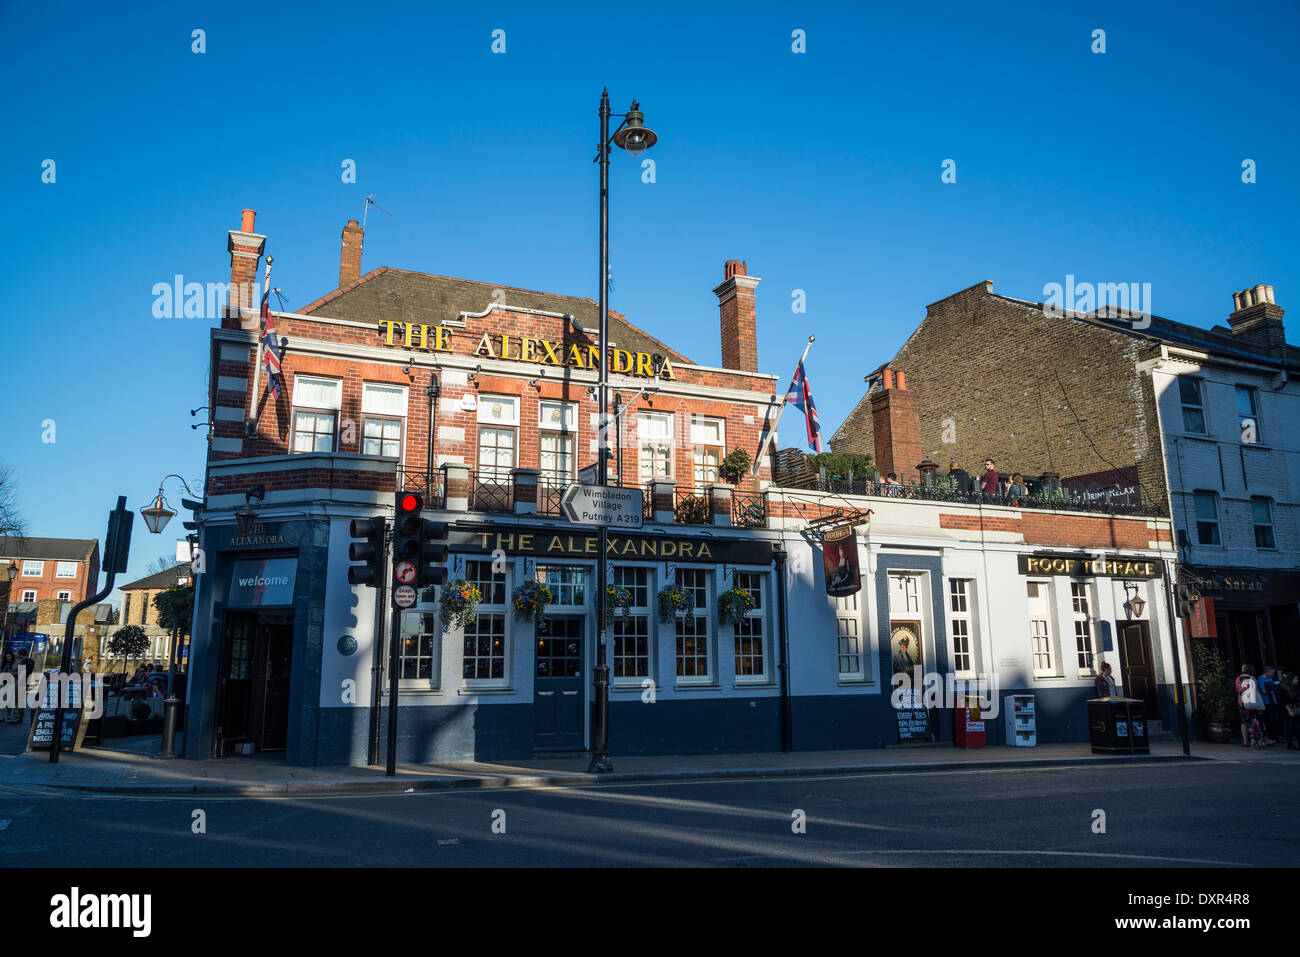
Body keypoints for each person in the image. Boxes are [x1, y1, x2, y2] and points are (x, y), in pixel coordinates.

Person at [1236, 664, 1267, 748]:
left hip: (1242, 702)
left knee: (1244, 721)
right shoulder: (1252, 678)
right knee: (1255, 720)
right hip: (1252, 701)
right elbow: (1255, 690)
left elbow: (1238, 690)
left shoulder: (1238, 679)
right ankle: (1257, 739)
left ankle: (1246, 741)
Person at [1259, 666, 1281, 745]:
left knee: (1274, 719)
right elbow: (1263, 691)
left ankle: (1274, 736)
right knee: (1268, 720)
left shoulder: (1270, 679)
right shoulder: (1261, 679)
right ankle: (1269, 737)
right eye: (1272, 673)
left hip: (1272, 701)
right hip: (1266, 702)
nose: (1273, 675)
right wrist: (1272, 688)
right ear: (1267, 672)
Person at [12, 649, 34, 725]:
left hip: (21, 682)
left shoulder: (23, 662)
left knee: (17, 700)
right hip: (27, 681)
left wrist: (17, 682)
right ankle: (21, 715)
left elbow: (22, 673)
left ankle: (17, 717)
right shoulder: (31, 661)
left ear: (20, 654)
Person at [1279, 673, 1300, 750]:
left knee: (1297, 727)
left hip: (1296, 709)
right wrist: (1289, 710)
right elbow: (1284, 701)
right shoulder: (1284, 688)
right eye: (1296, 679)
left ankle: (1297, 742)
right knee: (1289, 727)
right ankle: (1290, 743)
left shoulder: (1294, 688)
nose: (1297, 680)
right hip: (1288, 710)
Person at [1, 651, 15, 722]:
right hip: (3, 683)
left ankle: (9, 715)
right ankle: (2, 716)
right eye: (7, 656)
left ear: (12, 656)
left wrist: (13, 673)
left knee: (9, 700)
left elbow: (20, 673)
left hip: (11, 683)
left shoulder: (15, 664)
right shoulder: (4, 664)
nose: (8, 658)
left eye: (9, 656)